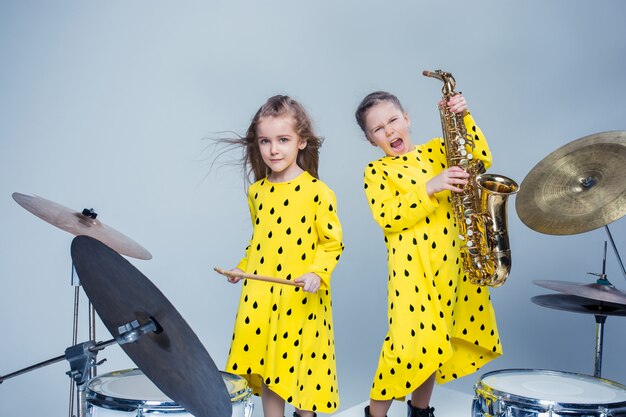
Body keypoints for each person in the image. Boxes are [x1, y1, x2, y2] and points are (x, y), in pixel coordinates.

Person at [354, 91, 502, 417]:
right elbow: (388, 215)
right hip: (413, 274)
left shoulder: (438, 149)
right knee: (405, 349)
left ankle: (420, 411)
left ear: (407, 119)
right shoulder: (376, 171)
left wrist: (463, 117)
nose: (389, 131)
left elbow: (480, 159)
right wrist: (429, 187)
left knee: (436, 346)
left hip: (452, 270)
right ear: (370, 140)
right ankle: (375, 414)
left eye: (393, 120)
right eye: (378, 129)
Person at [221, 95, 344, 417]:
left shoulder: (318, 192)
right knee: (267, 367)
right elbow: (259, 239)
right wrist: (243, 268)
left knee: (303, 372)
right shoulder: (257, 191)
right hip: (260, 296)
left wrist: (317, 273)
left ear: (302, 141)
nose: (274, 150)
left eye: (283, 140)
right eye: (265, 141)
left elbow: (332, 244)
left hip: (301, 298)